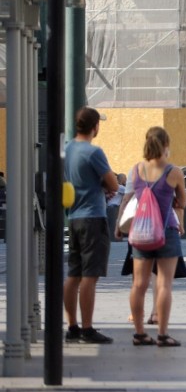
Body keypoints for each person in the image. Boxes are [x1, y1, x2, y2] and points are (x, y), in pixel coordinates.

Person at [115, 126, 186, 347]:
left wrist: (119, 225)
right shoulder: (173, 172)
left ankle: (139, 333)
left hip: (141, 232)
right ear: (166, 145)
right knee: (164, 284)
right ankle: (163, 335)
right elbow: (182, 202)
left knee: (139, 284)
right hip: (166, 232)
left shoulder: (136, 171)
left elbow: (128, 199)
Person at [64, 106, 119, 344]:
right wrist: (105, 185)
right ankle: (87, 329)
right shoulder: (93, 152)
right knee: (90, 275)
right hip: (93, 218)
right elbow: (114, 183)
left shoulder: (66, 149)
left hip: (74, 217)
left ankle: (72, 326)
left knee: (73, 274)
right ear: (95, 126)